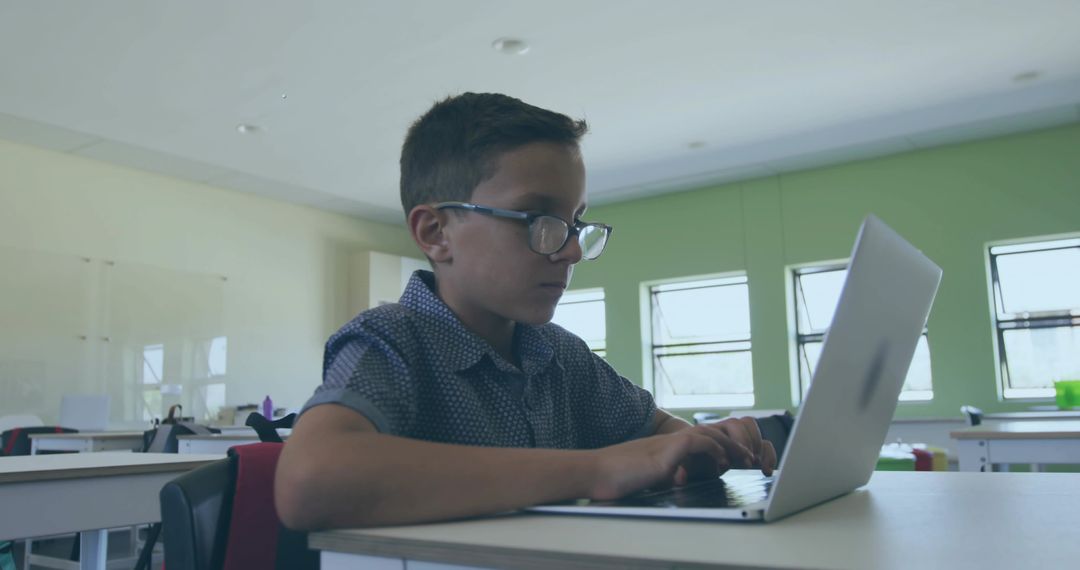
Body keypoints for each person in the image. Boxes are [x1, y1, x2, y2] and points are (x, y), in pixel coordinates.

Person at [275, 93, 777, 530]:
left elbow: (655, 433)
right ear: (435, 233)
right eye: (539, 219)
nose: (572, 251)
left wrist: (705, 444)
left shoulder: (557, 352)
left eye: (574, 222)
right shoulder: (392, 339)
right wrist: (596, 469)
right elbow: (308, 480)